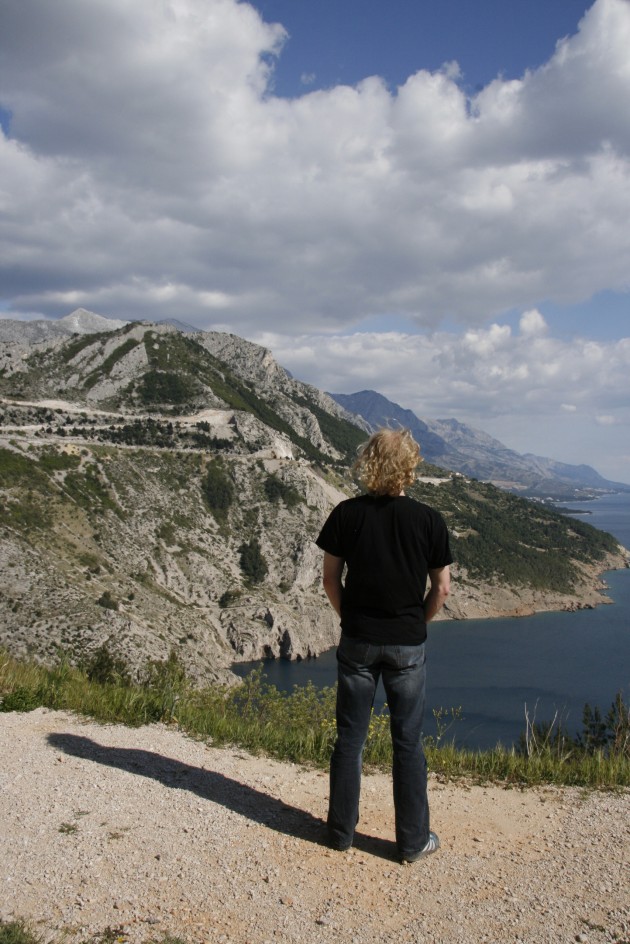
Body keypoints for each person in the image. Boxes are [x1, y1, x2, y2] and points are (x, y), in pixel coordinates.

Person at [315, 428, 452, 863]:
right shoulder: (429, 521)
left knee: (349, 740)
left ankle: (340, 833)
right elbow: (442, 589)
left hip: (357, 640)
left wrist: (349, 618)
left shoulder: (346, 514)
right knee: (407, 743)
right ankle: (412, 843)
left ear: (368, 462)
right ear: (410, 466)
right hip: (407, 645)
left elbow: (329, 580)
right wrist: (417, 623)